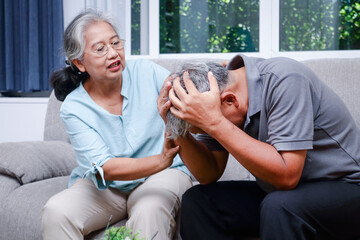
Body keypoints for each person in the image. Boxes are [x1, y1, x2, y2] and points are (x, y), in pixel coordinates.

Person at [157, 54, 360, 239]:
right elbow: (209, 173)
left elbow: (287, 177)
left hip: (347, 188)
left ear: (230, 100)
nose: (209, 133)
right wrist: (172, 122)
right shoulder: (215, 96)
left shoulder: (285, 79)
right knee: (199, 201)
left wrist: (215, 123)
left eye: (205, 128)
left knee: (280, 206)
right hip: (291, 193)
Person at [41, 9, 192, 240]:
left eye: (115, 43)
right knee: (57, 211)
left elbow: (188, 97)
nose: (113, 53)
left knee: (149, 210)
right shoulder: (73, 107)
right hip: (108, 188)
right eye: (100, 49)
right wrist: (161, 159)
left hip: (164, 174)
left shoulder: (147, 72)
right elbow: (106, 167)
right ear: (80, 63)